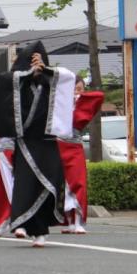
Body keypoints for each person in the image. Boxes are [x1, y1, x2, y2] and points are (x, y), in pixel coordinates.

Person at [0, 41, 77, 247]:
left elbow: (68, 77)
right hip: (26, 144)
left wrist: (44, 70)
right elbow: (6, 81)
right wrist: (30, 72)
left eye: (39, 61)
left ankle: (42, 227)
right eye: (31, 61)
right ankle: (32, 228)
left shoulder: (51, 83)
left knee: (50, 186)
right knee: (27, 186)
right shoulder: (15, 83)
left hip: (48, 144)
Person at [56, 79, 105, 235]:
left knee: (78, 183)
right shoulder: (59, 103)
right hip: (58, 147)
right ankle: (69, 222)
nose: (77, 92)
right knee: (62, 186)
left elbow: (99, 96)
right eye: (74, 89)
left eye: (80, 89)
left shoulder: (83, 104)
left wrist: (79, 97)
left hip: (75, 148)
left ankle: (79, 221)